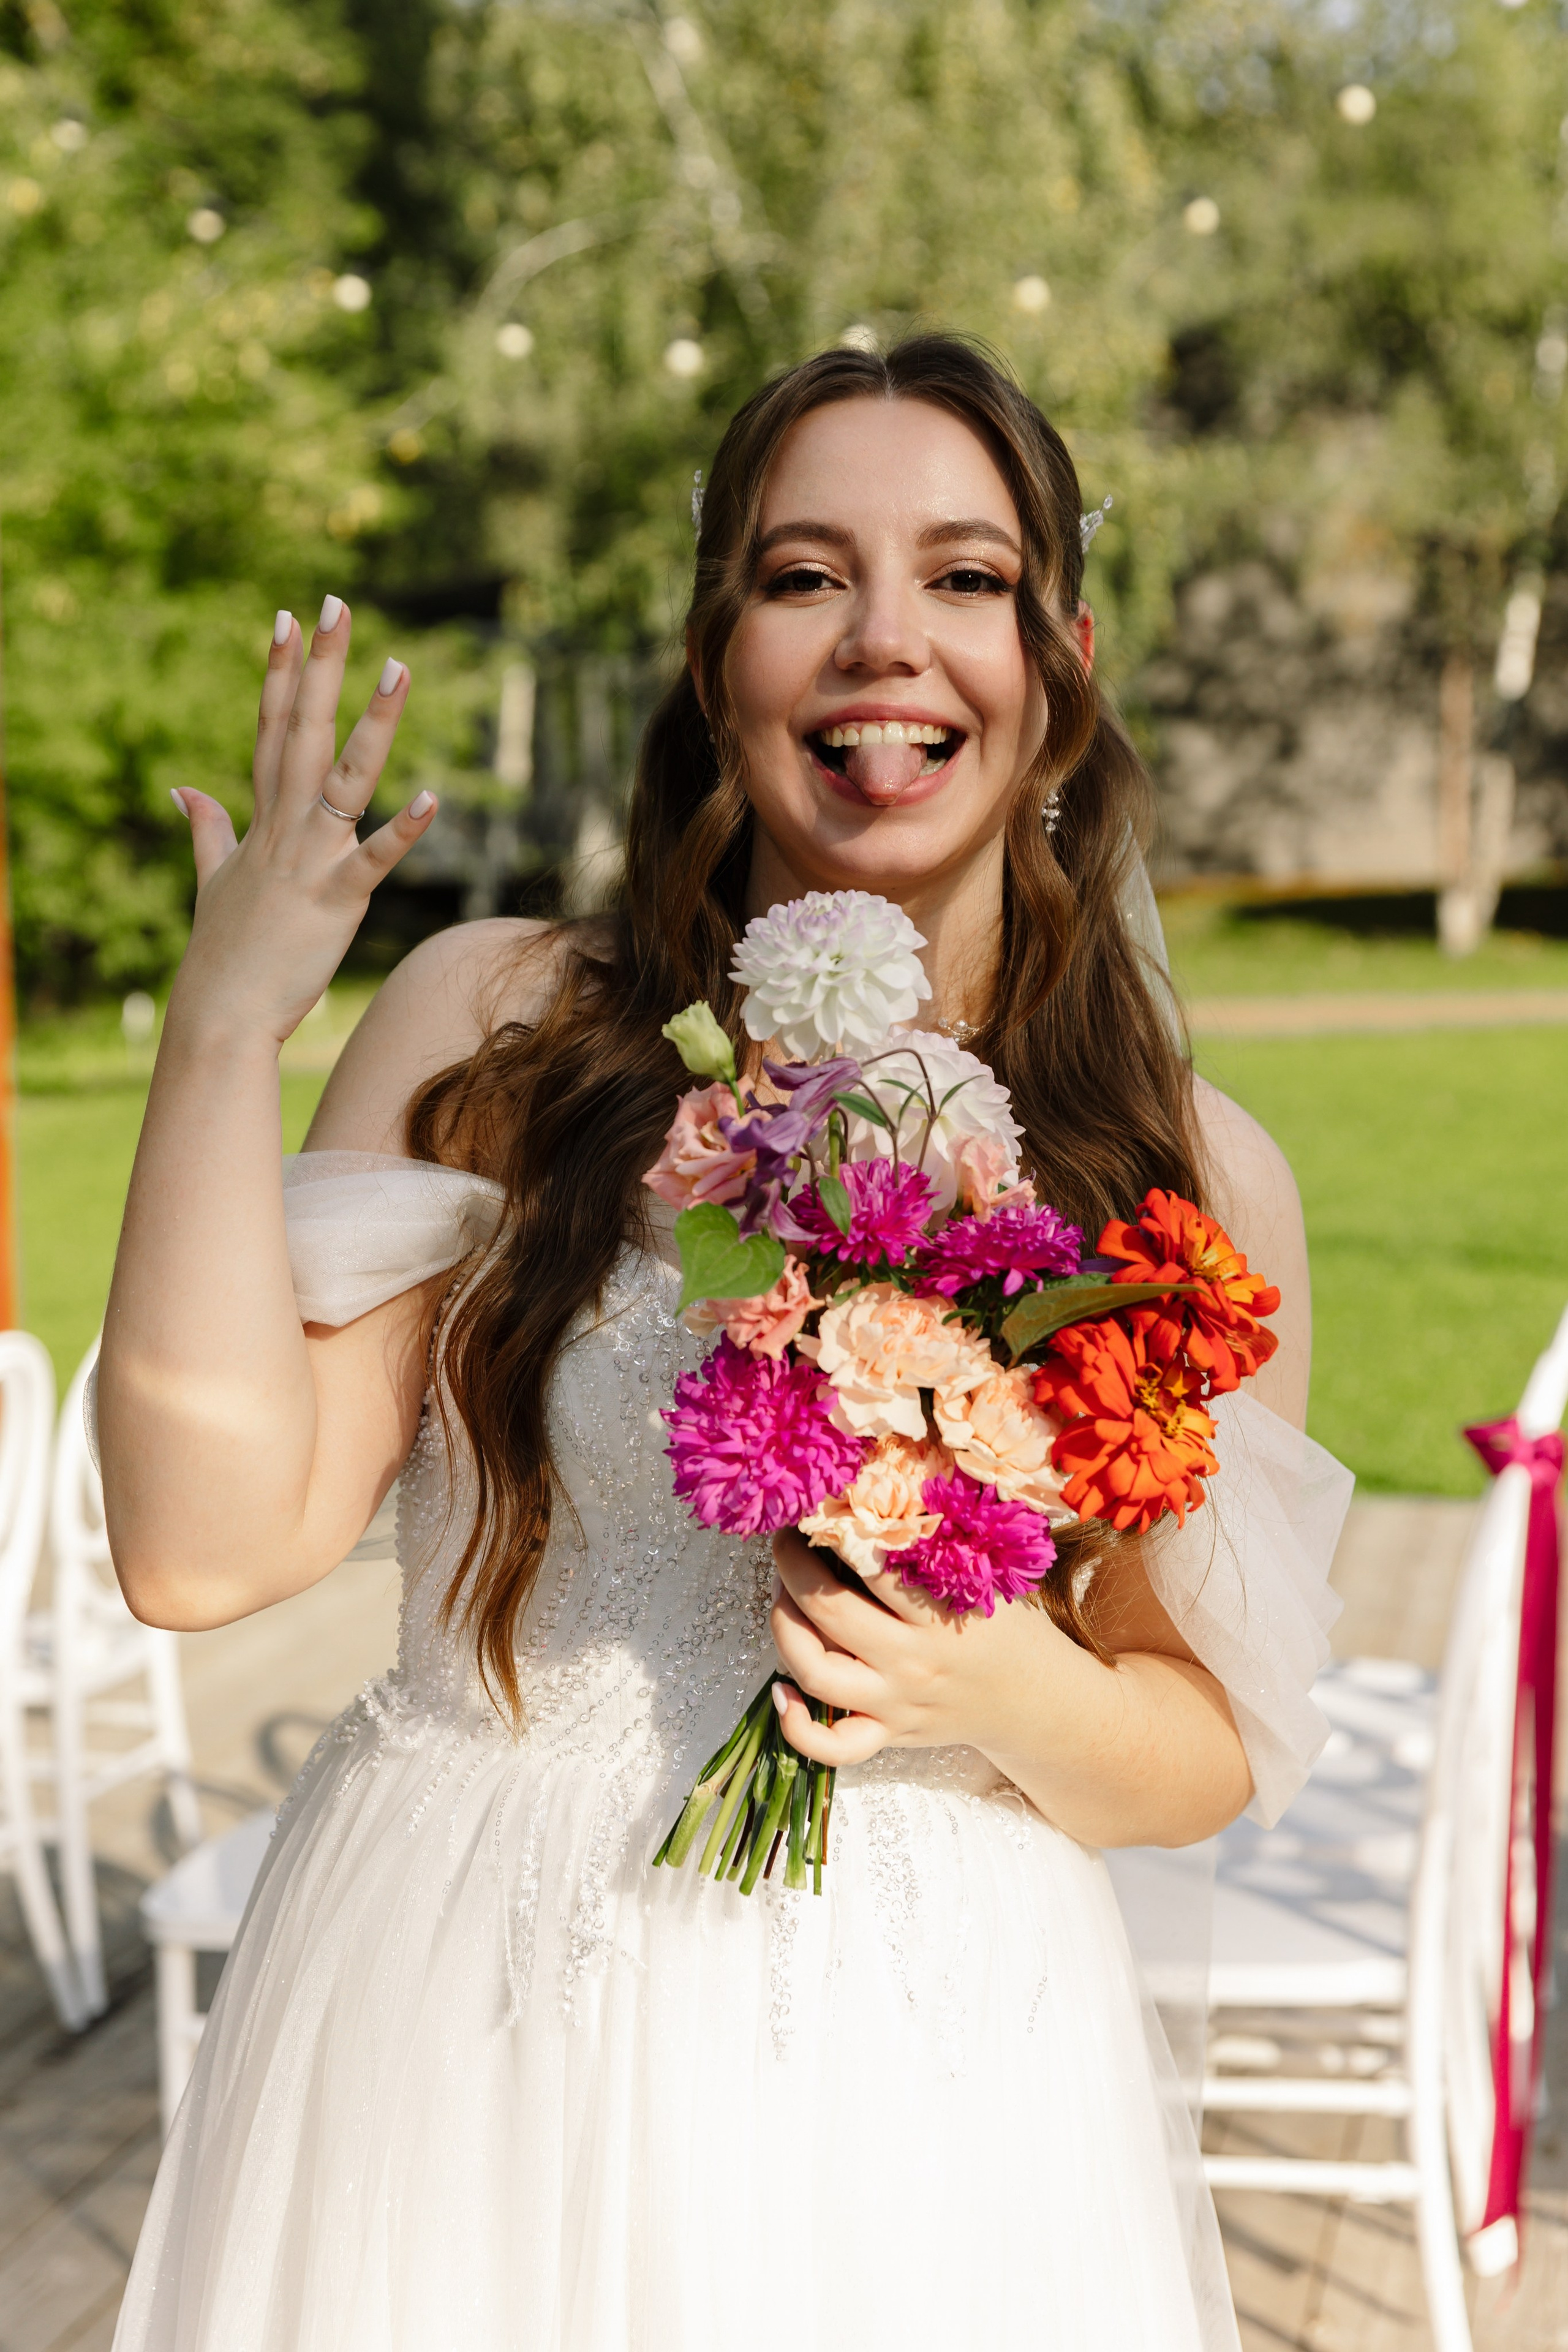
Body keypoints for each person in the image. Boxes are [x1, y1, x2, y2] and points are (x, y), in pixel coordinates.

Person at [100, 335, 1348, 2351]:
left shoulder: (1188, 1178)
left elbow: (1198, 1750)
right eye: (801, 577)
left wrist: (999, 1678)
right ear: (715, 660)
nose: (885, 644)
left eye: (962, 577)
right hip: (469, 2009)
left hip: (928, 2087)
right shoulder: (494, 1025)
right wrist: (223, 1028)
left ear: (1064, 657)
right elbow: (200, 1547)